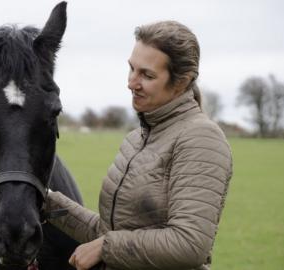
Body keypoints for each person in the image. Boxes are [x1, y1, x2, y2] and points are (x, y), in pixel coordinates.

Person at [46, 21, 233, 270]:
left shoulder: (201, 138)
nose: (132, 82)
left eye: (147, 75)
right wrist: (44, 199)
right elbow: (108, 231)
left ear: (182, 81)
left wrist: (105, 247)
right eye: (132, 69)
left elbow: (190, 244)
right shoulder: (136, 139)